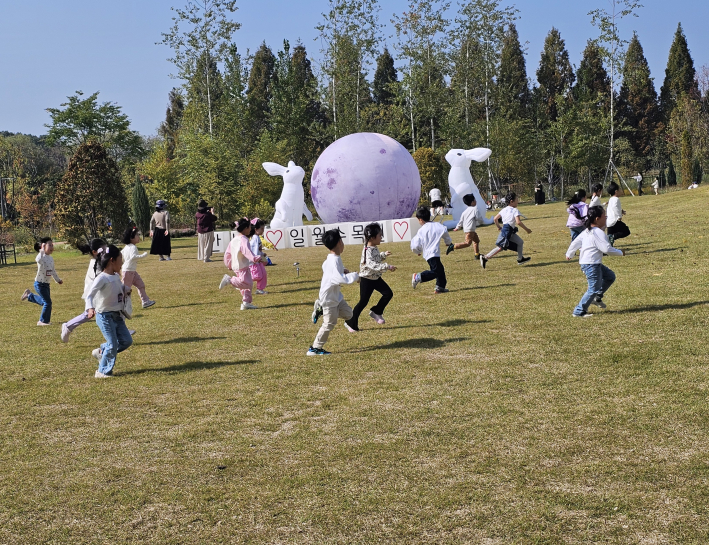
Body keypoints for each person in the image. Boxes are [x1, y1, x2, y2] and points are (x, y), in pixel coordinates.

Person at [307, 229, 359, 356]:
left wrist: (344, 270)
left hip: (336, 297)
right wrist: (356, 276)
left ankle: (320, 308)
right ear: (340, 242)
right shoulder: (334, 260)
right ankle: (314, 348)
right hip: (329, 298)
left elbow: (327, 268)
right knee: (329, 323)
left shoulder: (333, 258)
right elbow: (339, 278)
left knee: (349, 314)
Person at [566, 206, 625, 317]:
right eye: (604, 215)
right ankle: (578, 311)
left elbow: (575, 242)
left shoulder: (588, 231)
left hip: (591, 263)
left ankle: (596, 297)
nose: (606, 217)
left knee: (610, 276)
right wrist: (620, 252)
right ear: (597, 219)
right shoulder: (597, 232)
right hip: (591, 264)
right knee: (593, 288)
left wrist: (569, 254)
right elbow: (606, 249)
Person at [85, 245, 133, 378]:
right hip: (105, 316)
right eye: (120, 260)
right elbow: (90, 294)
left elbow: (118, 287)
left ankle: (102, 352)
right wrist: (90, 308)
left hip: (117, 315)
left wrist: (126, 289)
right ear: (112, 260)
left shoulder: (116, 276)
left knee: (126, 341)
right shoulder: (102, 278)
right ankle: (102, 371)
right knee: (113, 344)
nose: (122, 263)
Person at [344, 223, 396, 332]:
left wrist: (383, 255)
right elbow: (372, 264)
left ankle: (376, 311)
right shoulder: (367, 250)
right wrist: (387, 266)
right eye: (380, 235)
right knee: (363, 302)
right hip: (367, 279)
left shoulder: (373, 247)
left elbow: (375, 259)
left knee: (388, 293)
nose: (381, 237)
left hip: (376, 278)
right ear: (372, 237)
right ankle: (350, 322)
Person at [61, 239, 106, 342]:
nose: (105, 251)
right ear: (95, 252)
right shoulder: (95, 264)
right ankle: (68, 326)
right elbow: (97, 281)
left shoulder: (99, 262)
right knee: (88, 314)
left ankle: (121, 331)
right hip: (93, 294)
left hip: (98, 293)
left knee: (111, 309)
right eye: (103, 249)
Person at [218, 218, 262, 310]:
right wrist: (256, 258)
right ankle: (229, 280)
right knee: (247, 283)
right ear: (246, 228)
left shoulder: (235, 239)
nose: (251, 229)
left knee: (246, 285)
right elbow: (247, 251)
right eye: (250, 227)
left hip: (237, 265)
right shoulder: (243, 239)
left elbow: (228, 253)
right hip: (242, 266)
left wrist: (229, 264)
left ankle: (246, 302)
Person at [480, 192, 532, 268]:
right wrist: (527, 230)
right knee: (501, 247)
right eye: (516, 199)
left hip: (508, 230)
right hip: (507, 232)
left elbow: (495, 219)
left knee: (520, 242)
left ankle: (520, 259)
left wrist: (499, 227)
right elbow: (518, 222)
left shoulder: (504, 210)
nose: (517, 201)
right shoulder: (515, 210)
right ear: (512, 201)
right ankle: (485, 257)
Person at [410, 206, 453, 294]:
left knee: (440, 270)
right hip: (434, 253)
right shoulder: (438, 225)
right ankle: (419, 277)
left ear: (420, 220)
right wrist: (448, 242)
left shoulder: (421, 230)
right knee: (436, 271)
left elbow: (415, 244)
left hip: (428, 254)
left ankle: (440, 287)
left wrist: (417, 251)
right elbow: (445, 232)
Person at [21, 238, 63, 326]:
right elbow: (37, 259)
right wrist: (42, 250)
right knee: (48, 303)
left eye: (52, 245)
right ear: (43, 246)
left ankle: (29, 295)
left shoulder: (51, 258)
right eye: (49, 245)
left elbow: (53, 271)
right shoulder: (41, 257)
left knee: (46, 302)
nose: (51, 247)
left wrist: (58, 280)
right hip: (39, 284)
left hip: (46, 285)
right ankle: (42, 321)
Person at [121, 226, 155, 309]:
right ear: (131, 238)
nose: (138, 237)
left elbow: (121, 255)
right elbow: (133, 257)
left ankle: (145, 301)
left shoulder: (127, 247)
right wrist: (143, 255)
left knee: (141, 285)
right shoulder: (132, 247)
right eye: (136, 235)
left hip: (132, 271)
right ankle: (120, 305)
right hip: (128, 271)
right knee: (125, 289)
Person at [451, 193, 482, 257]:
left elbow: (461, 221)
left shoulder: (465, 211)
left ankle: (477, 254)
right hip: (470, 229)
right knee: (467, 243)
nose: (476, 201)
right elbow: (478, 218)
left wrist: (457, 227)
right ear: (472, 202)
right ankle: (453, 246)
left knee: (476, 241)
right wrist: (481, 221)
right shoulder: (475, 209)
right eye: (475, 200)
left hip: (468, 229)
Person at [249, 218, 269, 295]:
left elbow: (258, 250)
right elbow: (253, 251)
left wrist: (262, 254)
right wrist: (257, 258)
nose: (263, 230)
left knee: (263, 274)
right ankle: (241, 281)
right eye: (262, 229)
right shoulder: (254, 239)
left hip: (258, 260)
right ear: (256, 229)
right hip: (254, 262)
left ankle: (260, 289)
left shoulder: (258, 238)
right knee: (256, 276)